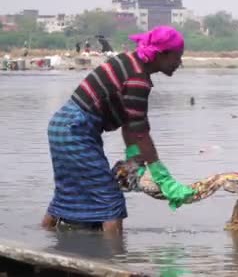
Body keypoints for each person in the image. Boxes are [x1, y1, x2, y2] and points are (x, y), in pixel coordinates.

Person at [41, 25, 185, 235]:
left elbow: (130, 125)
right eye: (177, 57)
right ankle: (115, 259)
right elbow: (140, 132)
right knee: (111, 200)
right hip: (77, 130)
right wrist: (161, 175)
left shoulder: (128, 61)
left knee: (67, 192)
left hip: (62, 125)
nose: (179, 63)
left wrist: (134, 160)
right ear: (161, 54)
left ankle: (43, 240)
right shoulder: (137, 78)